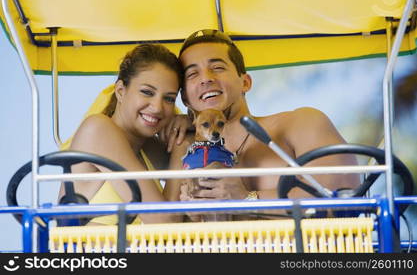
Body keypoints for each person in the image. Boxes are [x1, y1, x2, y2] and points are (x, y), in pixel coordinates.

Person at [165, 29, 360, 203]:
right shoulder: (182, 145)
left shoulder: (301, 122)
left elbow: (341, 195)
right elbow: (163, 223)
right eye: (192, 74)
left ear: (246, 82)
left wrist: (247, 199)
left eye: (218, 67)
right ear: (185, 99)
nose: (206, 78)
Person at [58, 44, 186, 224]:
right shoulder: (97, 130)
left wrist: (188, 124)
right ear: (120, 91)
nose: (157, 107)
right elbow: (165, 223)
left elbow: (195, 176)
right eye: (147, 92)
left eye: (169, 99)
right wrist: (183, 143)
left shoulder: (147, 145)